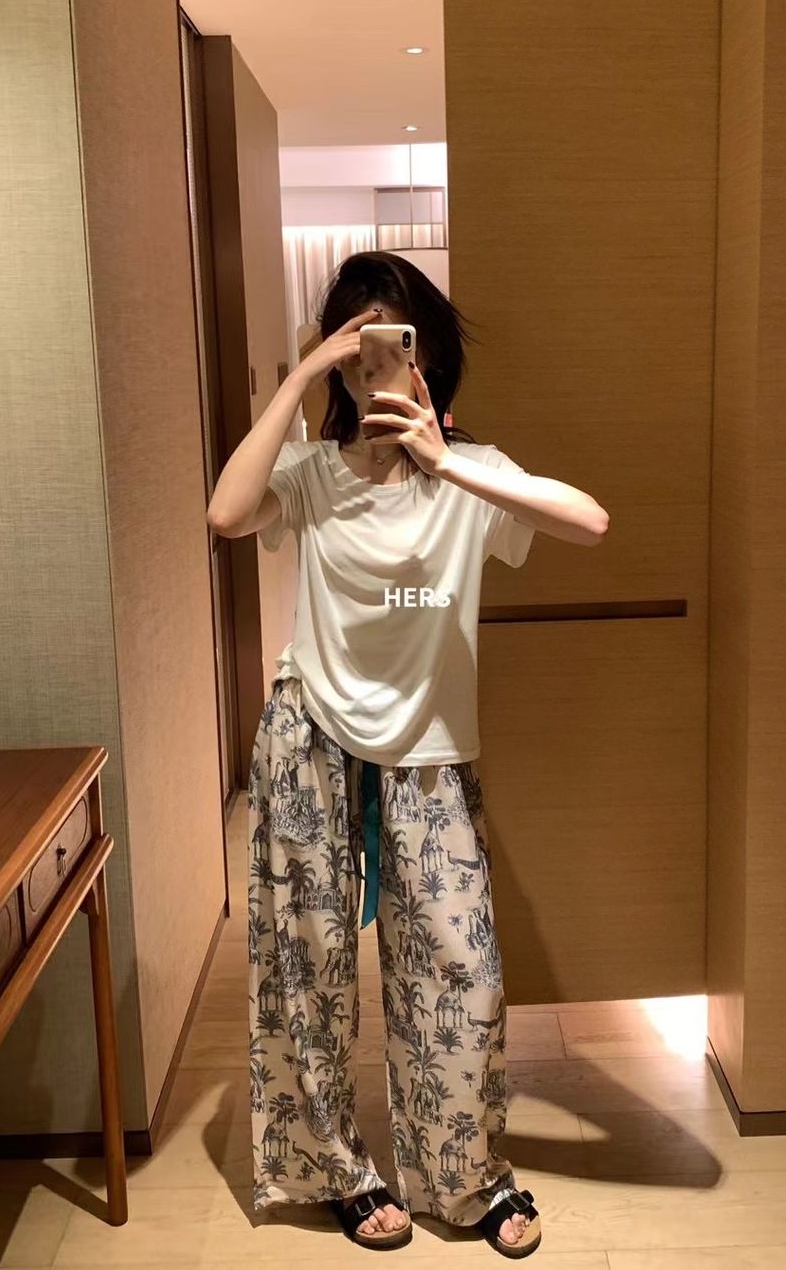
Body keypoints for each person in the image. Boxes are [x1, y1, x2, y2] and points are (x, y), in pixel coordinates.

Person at [207, 251, 609, 1256]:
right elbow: (224, 513)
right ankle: (338, 1173)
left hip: (430, 751)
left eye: (392, 342)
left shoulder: (473, 473)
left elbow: (589, 523)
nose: (373, 365)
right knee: (306, 969)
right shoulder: (310, 476)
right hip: (308, 734)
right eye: (355, 347)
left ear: (428, 355)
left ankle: (466, 1177)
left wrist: (444, 459)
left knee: (456, 972)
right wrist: (300, 377)